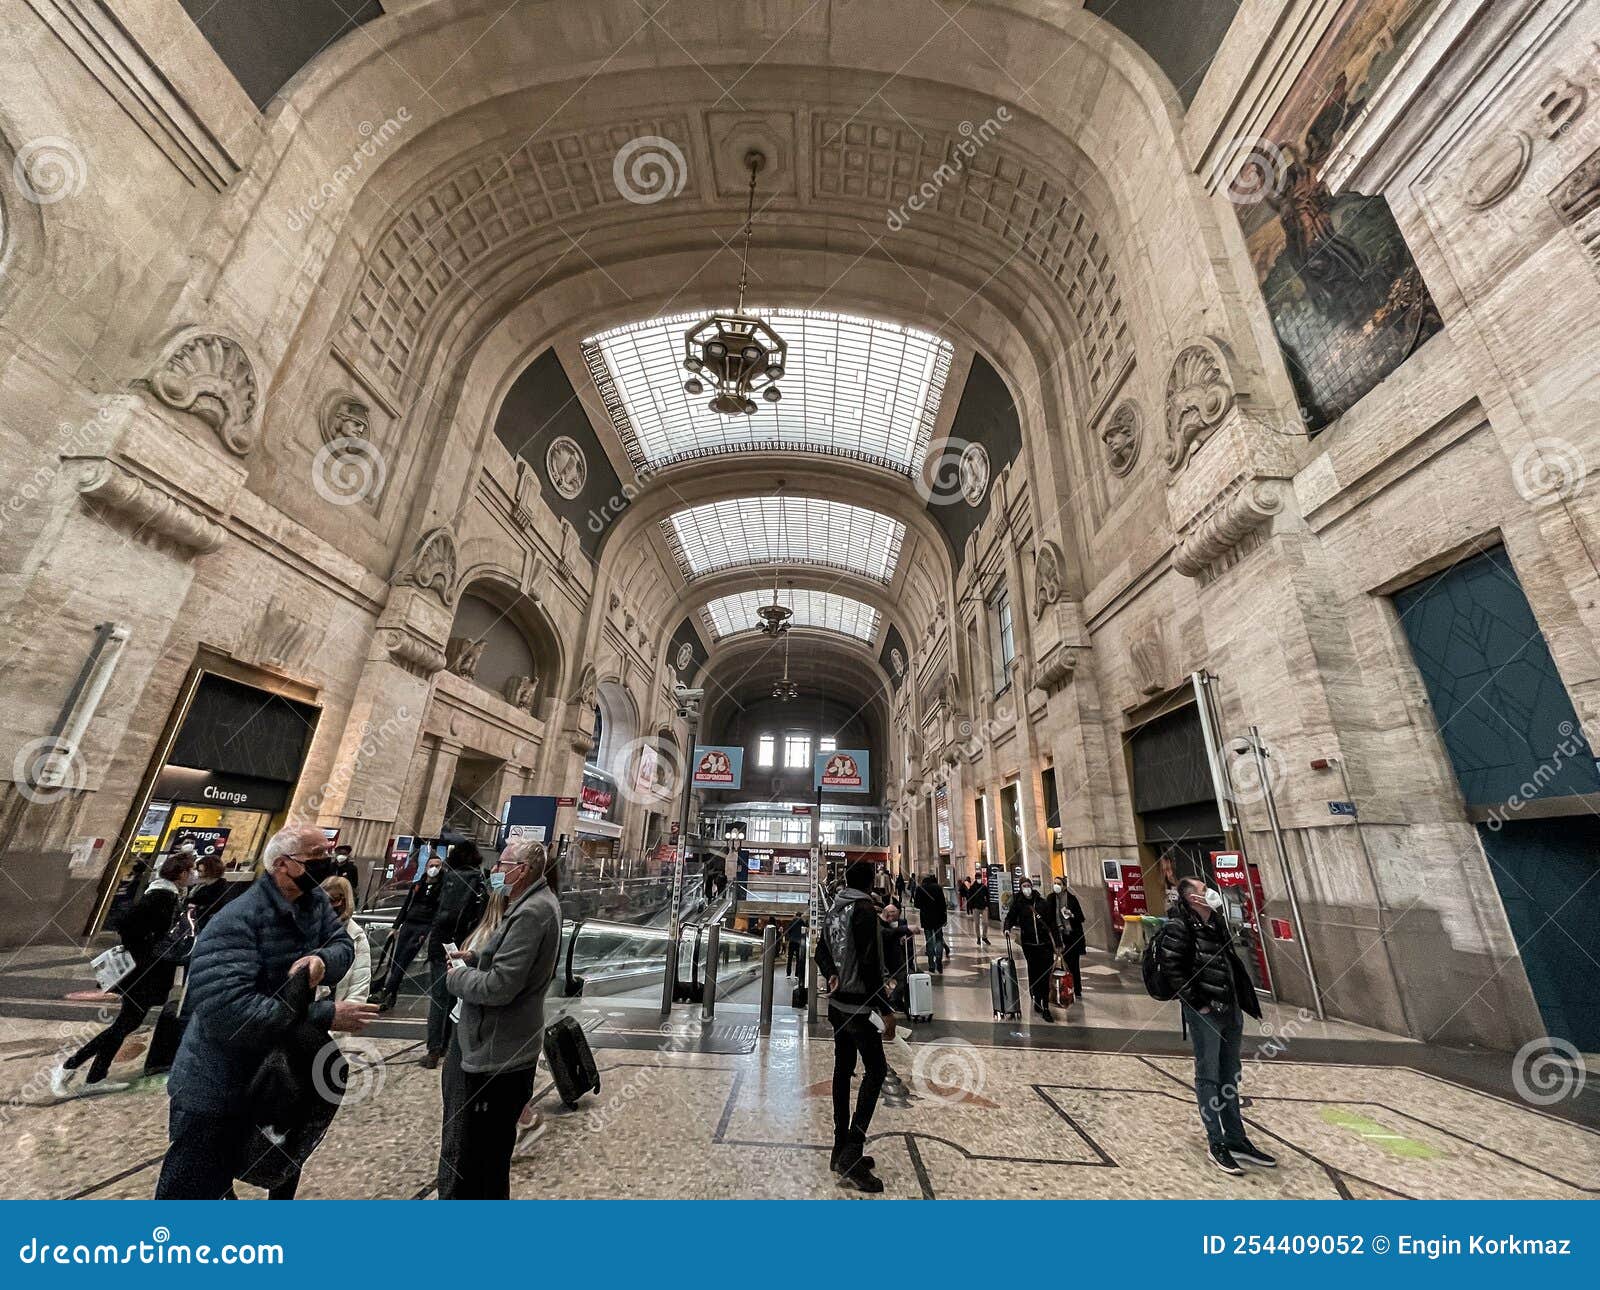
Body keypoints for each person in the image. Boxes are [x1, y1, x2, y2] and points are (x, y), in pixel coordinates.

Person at [154, 824, 377, 1199]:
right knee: (190, 1189)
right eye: (317, 856)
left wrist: (322, 960)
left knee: (276, 1170)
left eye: (329, 853)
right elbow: (229, 1010)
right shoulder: (236, 921)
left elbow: (342, 944)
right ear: (282, 865)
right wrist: (323, 1015)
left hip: (277, 1078)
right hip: (217, 1083)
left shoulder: (313, 904)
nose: (329, 862)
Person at [436, 839, 562, 1199]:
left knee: (482, 1161)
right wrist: (476, 957)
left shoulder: (531, 911)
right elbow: (508, 960)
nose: (495, 871)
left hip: (498, 1051)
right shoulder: (527, 904)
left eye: (503, 864)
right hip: (500, 1044)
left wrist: (457, 977)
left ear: (522, 871)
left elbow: (501, 986)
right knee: (485, 1157)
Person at [1152, 876, 1274, 1176]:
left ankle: (1236, 1138)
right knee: (1208, 1074)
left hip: (1229, 1007)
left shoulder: (1216, 923)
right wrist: (1199, 1003)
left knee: (1230, 1073)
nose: (1211, 893)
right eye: (1205, 891)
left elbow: (1228, 962)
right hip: (1205, 1011)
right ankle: (1216, 1141)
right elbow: (1173, 970)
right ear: (1193, 899)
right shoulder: (1178, 927)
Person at [53, 850, 195, 1097]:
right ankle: (68, 1066)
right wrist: (146, 951)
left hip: (145, 972)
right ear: (181, 874)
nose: (192, 875)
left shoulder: (164, 893)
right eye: (190, 871)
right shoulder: (162, 896)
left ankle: (95, 1077)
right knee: (124, 1024)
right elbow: (128, 925)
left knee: (126, 1023)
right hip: (142, 974)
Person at [815, 859, 892, 1193]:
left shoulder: (834, 910)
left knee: (842, 1070)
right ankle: (853, 1150)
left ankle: (839, 1146)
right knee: (876, 1071)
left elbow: (820, 952)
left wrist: (831, 971)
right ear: (870, 882)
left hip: (836, 1007)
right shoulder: (863, 912)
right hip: (860, 1009)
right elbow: (870, 964)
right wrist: (886, 1009)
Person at [423, 841, 488, 1067]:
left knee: (439, 998)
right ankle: (450, 1046)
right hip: (465, 947)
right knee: (456, 998)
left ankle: (434, 1049)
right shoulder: (479, 880)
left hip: (442, 945)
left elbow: (434, 910)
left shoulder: (449, 878)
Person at [373, 851, 444, 1011]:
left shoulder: (442, 887)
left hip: (423, 926)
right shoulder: (418, 885)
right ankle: (391, 995)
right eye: (431, 866)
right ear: (426, 867)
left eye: (437, 866)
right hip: (408, 924)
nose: (433, 869)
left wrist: (431, 929)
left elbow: (439, 910)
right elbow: (406, 906)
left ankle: (386, 991)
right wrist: (396, 926)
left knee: (404, 959)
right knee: (397, 959)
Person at [1003, 876, 1057, 1021]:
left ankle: (1045, 1006)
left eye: (1028, 885)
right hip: (1029, 945)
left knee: (1045, 975)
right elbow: (1010, 918)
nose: (1026, 888)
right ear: (1021, 888)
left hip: (1045, 945)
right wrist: (1007, 928)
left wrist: (1057, 944)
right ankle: (1036, 997)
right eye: (1024, 886)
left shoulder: (1042, 903)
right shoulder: (1019, 904)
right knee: (1034, 973)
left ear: (1032, 887)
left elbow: (1051, 923)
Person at [320, 877, 371, 1005]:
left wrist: (344, 1016)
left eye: (332, 901)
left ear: (344, 901)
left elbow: (360, 985)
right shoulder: (311, 929)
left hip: (340, 1012)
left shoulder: (357, 936)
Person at [1044, 878, 1086, 1003]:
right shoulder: (1050, 899)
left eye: (1059, 884)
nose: (1056, 886)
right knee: (1058, 965)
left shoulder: (1072, 899)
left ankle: (1076, 989)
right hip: (1057, 936)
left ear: (1064, 886)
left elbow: (1081, 917)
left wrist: (1072, 915)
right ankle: (1059, 989)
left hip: (1072, 936)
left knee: (1073, 964)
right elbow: (1048, 917)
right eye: (1055, 883)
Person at [878, 903, 913, 1013]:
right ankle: (894, 1000)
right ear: (890, 915)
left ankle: (898, 1001)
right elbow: (886, 934)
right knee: (905, 977)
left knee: (910, 975)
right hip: (887, 961)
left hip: (895, 959)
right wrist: (904, 929)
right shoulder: (879, 924)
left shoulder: (886, 923)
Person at [911, 874, 948, 974]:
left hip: (926, 919)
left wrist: (924, 906)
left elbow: (916, 904)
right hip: (938, 918)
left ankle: (931, 964)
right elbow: (943, 905)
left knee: (929, 940)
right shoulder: (938, 888)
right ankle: (939, 959)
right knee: (939, 939)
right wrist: (945, 918)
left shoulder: (920, 888)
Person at [965, 871, 991, 946]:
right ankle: (978, 937)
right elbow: (969, 897)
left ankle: (984, 937)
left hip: (983, 907)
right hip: (976, 907)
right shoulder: (972, 887)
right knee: (976, 923)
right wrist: (971, 907)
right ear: (976, 878)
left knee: (985, 922)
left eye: (980, 878)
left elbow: (987, 895)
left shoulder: (984, 886)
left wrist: (987, 905)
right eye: (978, 878)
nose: (979, 879)